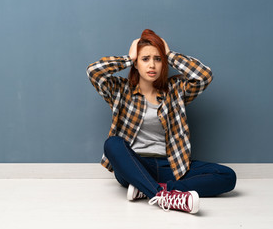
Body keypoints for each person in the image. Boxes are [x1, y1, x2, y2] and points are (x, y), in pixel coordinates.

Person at [86, 29, 236, 214]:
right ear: (136, 63)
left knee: (228, 176)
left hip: (171, 166)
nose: (152, 65)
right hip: (135, 165)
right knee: (112, 144)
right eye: (145, 59)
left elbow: (204, 76)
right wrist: (128, 57)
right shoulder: (120, 90)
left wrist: (170, 54)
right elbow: (94, 72)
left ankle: (155, 190)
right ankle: (161, 195)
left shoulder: (175, 89)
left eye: (158, 59)